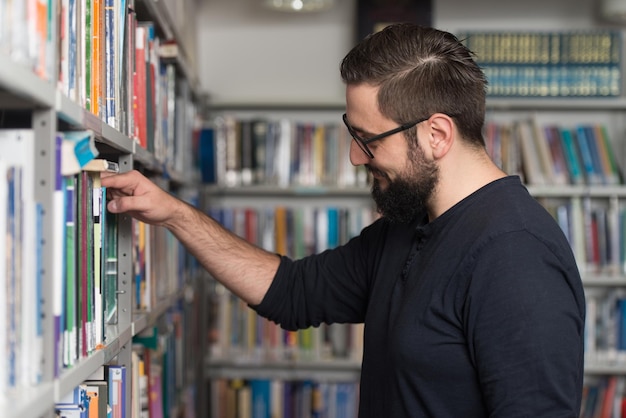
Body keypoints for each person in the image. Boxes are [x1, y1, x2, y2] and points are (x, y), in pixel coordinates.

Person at [102, 23, 585, 417]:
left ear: (437, 134)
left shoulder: (516, 255)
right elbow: (293, 292)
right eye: (352, 134)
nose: (356, 157)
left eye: (369, 139)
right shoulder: (407, 226)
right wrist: (173, 214)